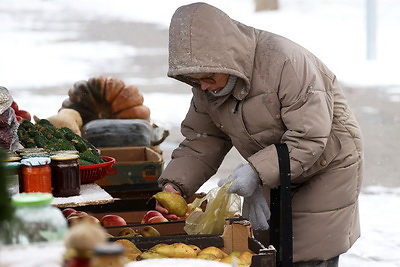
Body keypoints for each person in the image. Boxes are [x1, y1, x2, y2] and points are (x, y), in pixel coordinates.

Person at [157, 2, 363, 266]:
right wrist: (175, 184)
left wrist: (256, 171)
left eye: (207, 77)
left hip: (326, 163)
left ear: (226, 61)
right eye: (196, 81)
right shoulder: (207, 82)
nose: (203, 86)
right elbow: (202, 139)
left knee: (308, 252)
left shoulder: (286, 62)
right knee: (268, 249)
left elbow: (308, 137)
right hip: (273, 163)